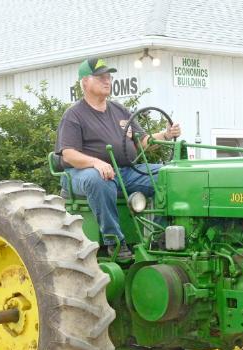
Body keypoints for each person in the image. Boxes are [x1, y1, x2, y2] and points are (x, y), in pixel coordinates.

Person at [55, 57, 181, 259]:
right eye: (101, 77)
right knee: (100, 178)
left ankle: (159, 237)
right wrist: (96, 163)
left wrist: (165, 134)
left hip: (125, 171)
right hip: (81, 174)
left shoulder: (120, 110)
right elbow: (69, 155)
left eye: (109, 76)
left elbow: (142, 142)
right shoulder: (74, 115)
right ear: (85, 82)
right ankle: (115, 241)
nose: (107, 81)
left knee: (170, 175)